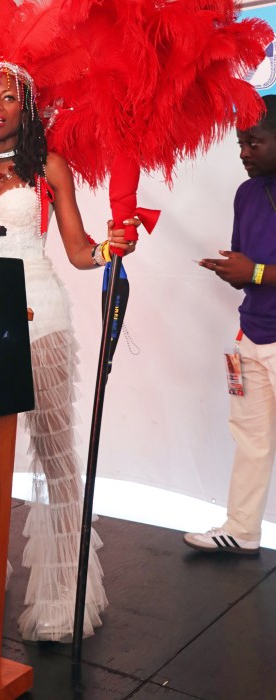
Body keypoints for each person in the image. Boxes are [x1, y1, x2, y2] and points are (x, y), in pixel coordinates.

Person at [0, 62, 138, 641]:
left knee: (54, 456)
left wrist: (109, 248)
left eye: (8, 97)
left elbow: (76, 251)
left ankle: (64, 593)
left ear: (26, 107)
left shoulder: (48, 168)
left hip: (39, 316)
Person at [184, 93, 276, 556]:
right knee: (251, 438)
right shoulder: (246, 193)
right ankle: (242, 530)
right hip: (252, 332)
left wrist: (255, 272)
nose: (243, 152)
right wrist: (236, 270)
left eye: (254, 142)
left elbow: (258, 271)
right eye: (240, 143)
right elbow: (250, 267)